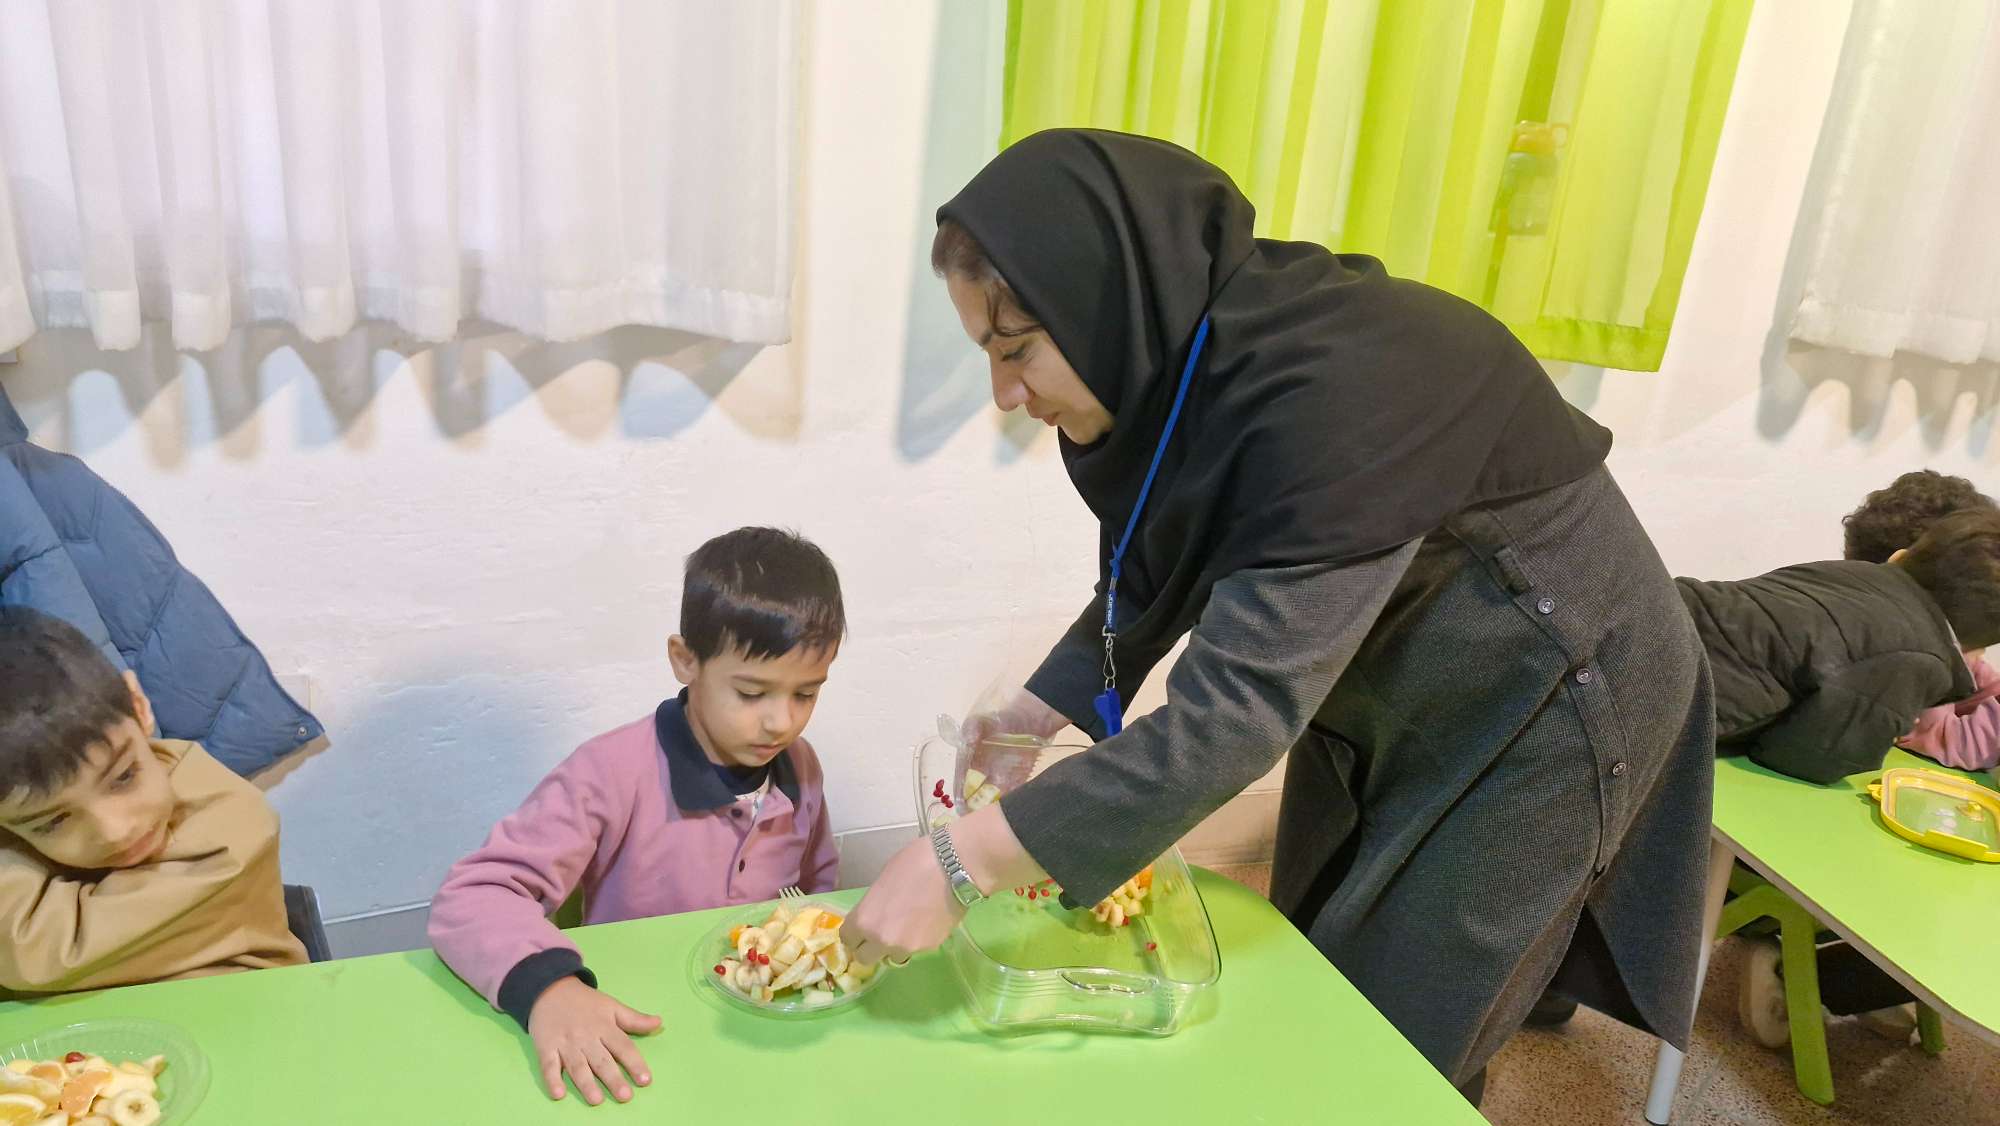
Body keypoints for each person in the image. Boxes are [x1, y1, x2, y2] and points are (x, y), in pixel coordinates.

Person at [842, 130, 1714, 1101]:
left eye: (1016, 351)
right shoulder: (1193, 363)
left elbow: (1229, 722)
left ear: (1104, 305)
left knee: (1397, 1030)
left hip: (1553, 694)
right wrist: (1038, 710)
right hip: (1389, 676)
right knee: (1315, 962)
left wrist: (961, 862)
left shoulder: (1331, 392)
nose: (1006, 394)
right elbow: (1161, 557)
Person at [428, 527, 844, 1107]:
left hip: (763, 1041)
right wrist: (549, 989)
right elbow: (474, 896)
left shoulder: (800, 766)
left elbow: (818, 894)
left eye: (806, 694)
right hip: (631, 1038)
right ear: (685, 661)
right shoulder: (610, 773)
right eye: (752, 694)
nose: (782, 722)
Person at [0, 607, 307, 996]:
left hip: (246, 1010)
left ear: (138, 705)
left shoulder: (232, 825)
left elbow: (36, 952)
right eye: (53, 822)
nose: (115, 831)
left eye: (124, 777)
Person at [1679, 507, 2000, 785]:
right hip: (1672, 693)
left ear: (1901, 555)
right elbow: (1809, 757)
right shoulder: (1917, 658)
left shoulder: (1851, 572)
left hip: (1668, 613)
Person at [1843, 471, 2000, 772]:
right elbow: (1957, 741)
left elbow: (1978, 683)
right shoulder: (1897, 660)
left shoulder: (1934, 632)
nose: (1978, 652)